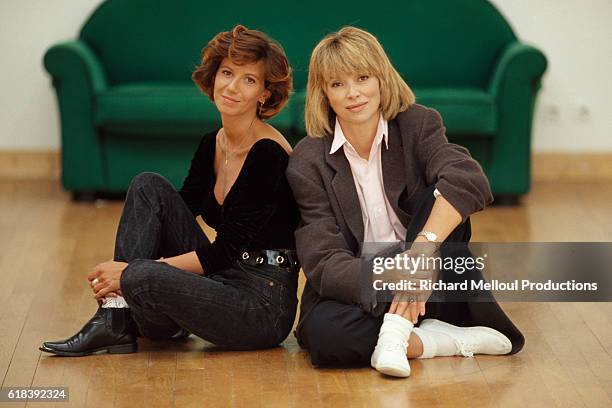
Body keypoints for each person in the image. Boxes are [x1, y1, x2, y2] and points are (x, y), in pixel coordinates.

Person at [40, 25, 300, 356]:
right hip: (222, 280)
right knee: (148, 185)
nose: (232, 87)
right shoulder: (213, 143)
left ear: (264, 93)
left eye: (248, 80)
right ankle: (116, 317)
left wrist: (131, 271)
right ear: (214, 76)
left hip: (261, 302)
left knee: (141, 274)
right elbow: (176, 207)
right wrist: (134, 269)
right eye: (227, 73)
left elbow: (223, 253)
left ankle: (124, 312)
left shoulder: (268, 154)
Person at [287, 26, 524, 377]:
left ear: (382, 78)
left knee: (440, 196)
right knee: (324, 335)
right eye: (338, 84)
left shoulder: (418, 124)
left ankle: (397, 333)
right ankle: (432, 342)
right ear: (324, 94)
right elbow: (324, 263)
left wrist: (421, 253)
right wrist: (399, 273)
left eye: (362, 77)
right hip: (365, 288)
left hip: (434, 278)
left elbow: (468, 179)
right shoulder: (307, 160)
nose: (353, 93)